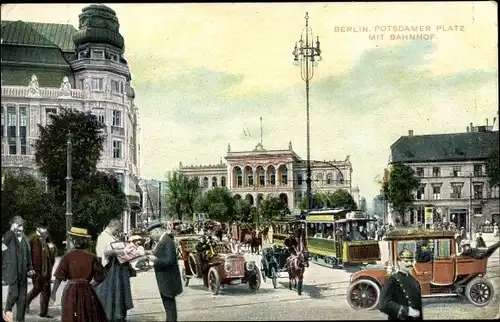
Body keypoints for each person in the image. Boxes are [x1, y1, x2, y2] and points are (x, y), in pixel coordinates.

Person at [50, 227, 107, 322]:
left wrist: (53, 293)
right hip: (87, 291)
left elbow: (59, 277)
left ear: (72, 240)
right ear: (85, 242)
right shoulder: (92, 257)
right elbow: (100, 277)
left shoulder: (67, 256)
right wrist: (89, 285)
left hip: (71, 291)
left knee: (71, 315)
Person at [94, 219, 135, 322]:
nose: (117, 232)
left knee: (118, 292)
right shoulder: (103, 237)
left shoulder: (111, 236)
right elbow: (105, 253)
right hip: (110, 270)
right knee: (111, 293)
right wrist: (121, 251)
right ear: (112, 227)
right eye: (117, 230)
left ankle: (118, 314)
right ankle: (111, 315)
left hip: (117, 269)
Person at [146, 221, 183, 322]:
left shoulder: (167, 241)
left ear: (157, 231)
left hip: (168, 281)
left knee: (170, 308)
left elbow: (169, 261)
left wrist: (155, 260)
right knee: (169, 308)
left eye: (151, 234)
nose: (151, 236)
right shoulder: (164, 240)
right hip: (165, 280)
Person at [2, 216, 35, 322]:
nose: (20, 228)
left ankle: (21, 320)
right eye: (18, 225)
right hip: (12, 273)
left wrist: (30, 268)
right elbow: (2, 246)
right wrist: (11, 231)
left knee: (22, 300)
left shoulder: (25, 239)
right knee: (13, 295)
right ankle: (6, 314)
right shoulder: (8, 237)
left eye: (21, 225)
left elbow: (28, 255)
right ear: (13, 226)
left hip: (23, 273)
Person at [379, 248, 423, 320]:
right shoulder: (392, 280)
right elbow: (383, 304)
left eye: (411, 261)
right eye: (406, 261)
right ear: (399, 262)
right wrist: (406, 311)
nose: (409, 263)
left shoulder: (415, 281)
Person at [25, 220, 57, 318]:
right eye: (43, 228)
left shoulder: (48, 238)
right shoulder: (32, 239)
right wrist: (29, 269)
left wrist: (52, 249)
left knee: (46, 290)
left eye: (46, 228)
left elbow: (53, 250)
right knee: (37, 288)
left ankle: (44, 313)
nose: (45, 230)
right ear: (38, 228)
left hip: (47, 269)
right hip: (36, 269)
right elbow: (27, 254)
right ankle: (26, 301)